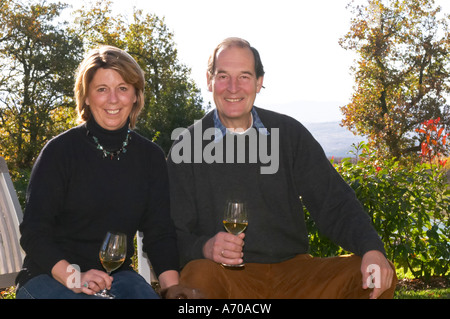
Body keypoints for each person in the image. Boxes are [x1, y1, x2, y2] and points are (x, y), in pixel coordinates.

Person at [167, 37, 397, 299]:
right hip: (225, 278)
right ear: (209, 80)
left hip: (296, 276)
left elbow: (333, 201)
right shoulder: (186, 147)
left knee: (375, 272)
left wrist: (371, 248)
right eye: (223, 76)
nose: (233, 87)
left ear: (259, 82)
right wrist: (205, 247)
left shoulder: (289, 134)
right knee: (196, 279)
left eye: (244, 76)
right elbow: (173, 233)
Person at [15, 45, 180, 299]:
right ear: (87, 97)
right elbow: (34, 233)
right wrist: (74, 276)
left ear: (135, 95)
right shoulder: (59, 152)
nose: (113, 99)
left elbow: (160, 233)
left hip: (117, 276)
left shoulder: (150, 157)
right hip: (50, 276)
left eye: (123, 88)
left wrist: (174, 292)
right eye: (102, 89)